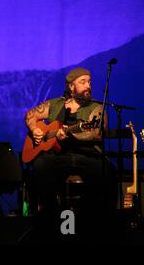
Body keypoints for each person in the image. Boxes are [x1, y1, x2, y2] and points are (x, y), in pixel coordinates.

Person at [24, 67, 116, 241]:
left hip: (87, 155)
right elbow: (30, 115)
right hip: (59, 156)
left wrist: (70, 132)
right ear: (71, 86)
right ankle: (51, 216)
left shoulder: (96, 107)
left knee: (106, 170)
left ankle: (88, 222)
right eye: (83, 82)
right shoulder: (55, 104)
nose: (88, 85)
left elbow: (96, 133)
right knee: (40, 165)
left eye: (89, 81)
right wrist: (35, 129)